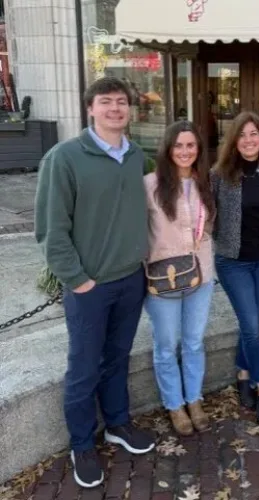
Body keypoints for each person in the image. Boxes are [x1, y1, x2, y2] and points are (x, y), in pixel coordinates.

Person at [34, 76, 155, 489]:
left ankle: (117, 425)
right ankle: (82, 443)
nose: (115, 109)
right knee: (84, 368)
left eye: (121, 102)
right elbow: (51, 229)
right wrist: (77, 280)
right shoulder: (64, 157)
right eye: (106, 102)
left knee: (117, 360)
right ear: (90, 109)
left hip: (130, 280)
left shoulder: (138, 155)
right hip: (89, 287)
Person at [211, 111, 259, 425]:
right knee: (252, 328)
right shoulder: (219, 174)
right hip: (233, 263)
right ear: (234, 140)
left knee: (251, 324)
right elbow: (202, 210)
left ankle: (243, 373)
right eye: (242, 135)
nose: (248, 141)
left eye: (254, 134)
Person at [143, 120, 216, 436]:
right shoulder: (149, 185)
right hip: (163, 277)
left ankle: (194, 399)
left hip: (202, 274)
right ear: (168, 149)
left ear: (198, 149)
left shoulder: (206, 182)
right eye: (178, 145)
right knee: (166, 345)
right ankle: (174, 404)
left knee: (194, 341)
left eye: (190, 145)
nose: (184, 151)